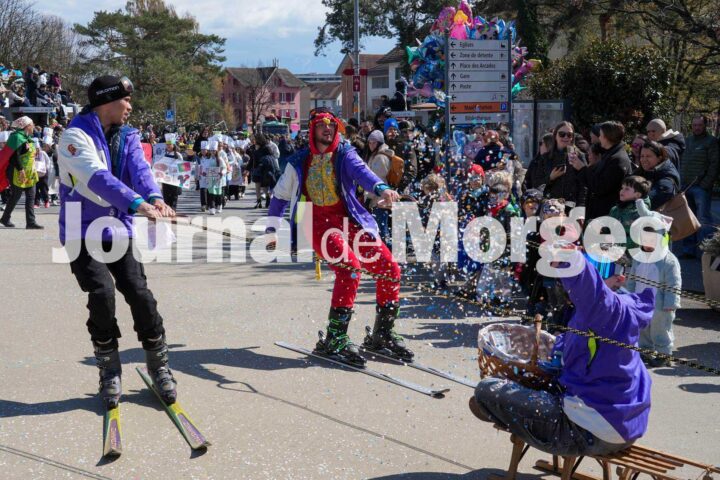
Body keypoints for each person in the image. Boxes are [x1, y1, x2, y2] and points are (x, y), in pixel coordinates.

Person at [57, 75, 177, 408]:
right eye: (126, 100)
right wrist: (137, 204)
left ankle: (159, 364)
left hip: (117, 229)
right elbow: (98, 178)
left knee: (139, 293)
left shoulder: (128, 135)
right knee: (102, 294)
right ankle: (109, 369)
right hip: (81, 231)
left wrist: (155, 198)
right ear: (107, 101)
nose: (130, 106)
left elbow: (141, 171)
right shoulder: (74, 137)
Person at [470, 249, 654, 457]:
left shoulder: (609, 308)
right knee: (524, 388)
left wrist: (568, 258)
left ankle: (498, 410)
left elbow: (589, 285)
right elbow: (573, 345)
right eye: (591, 263)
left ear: (620, 278)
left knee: (486, 391)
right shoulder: (617, 310)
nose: (594, 272)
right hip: (625, 427)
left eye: (600, 268)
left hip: (589, 431)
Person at [266, 107, 411, 366]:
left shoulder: (345, 154)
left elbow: (363, 174)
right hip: (315, 222)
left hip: (348, 219)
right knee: (349, 269)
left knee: (390, 268)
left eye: (331, 124)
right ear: (312, 129)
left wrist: (383, 189)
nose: (327, 129)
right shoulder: (298, 162)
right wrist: (271, 230)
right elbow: (279, 197)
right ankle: (335, 338)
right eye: (322, 125)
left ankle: (382, 335)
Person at [569, 121, 632, 220]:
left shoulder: (618, 160)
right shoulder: (609, 154)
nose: (599, 138)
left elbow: (600, 187)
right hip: (597, 213)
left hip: (606, 216)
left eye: (601, 135)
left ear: (607, 137)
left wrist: (582, 168)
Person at [679, 115, 719, 259]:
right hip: (686, 186)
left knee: (704, 220)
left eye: (699, 125)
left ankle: (706, 253)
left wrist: (705, 184)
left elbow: (715, 164)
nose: (696, 128)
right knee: (688, 220)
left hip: (701, 188)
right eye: (694, 125)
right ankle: (688, 250)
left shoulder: (711, 141)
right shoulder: (687, 140)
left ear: (705, 126)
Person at [0, 116, 43, 228]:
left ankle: (31, 222)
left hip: (29, 172)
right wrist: (21, 170)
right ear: (27, 126)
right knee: (16, 195)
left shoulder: (27, 138)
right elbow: (14, 156)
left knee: (31, 196)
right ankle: (5, 218)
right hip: (17, 171)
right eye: (32, 124)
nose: (34, 126)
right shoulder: (17, 137)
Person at [609, 175, 651, 251]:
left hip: (633, 253)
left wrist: (617, 243)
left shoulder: (640, 213)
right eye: (622, 188)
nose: (622, 191)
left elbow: (638, 238)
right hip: (615, 251)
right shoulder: (615, 210)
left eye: (627, 189)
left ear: (637, 195)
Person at [634, 140, 679, 210]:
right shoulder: (644, 170)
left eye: (648, 156)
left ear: (659, 158)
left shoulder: (667, 180)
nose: (644, 159)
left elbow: (649, 202)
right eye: (642, 156)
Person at [158, 133, 183, 210]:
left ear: (173, 145)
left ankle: (173, 210)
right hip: (165, 178)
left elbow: (182, 167)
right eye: (167, 144)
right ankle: (167, 210)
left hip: (175, 178)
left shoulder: (178, 155)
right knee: (166, 195)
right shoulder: (163, 154)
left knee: (174, 196)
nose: (168, 146)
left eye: (170, 144)